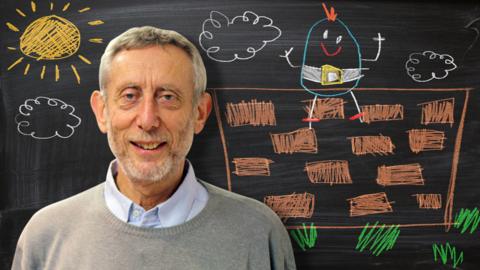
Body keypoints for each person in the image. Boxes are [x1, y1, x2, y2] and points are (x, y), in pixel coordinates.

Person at [11, 26, 296, 269]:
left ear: (199, 113)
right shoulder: (45, 236)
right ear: (102, 112)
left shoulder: (260, 234)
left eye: (168, 97)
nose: (148, 120)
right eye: (130, 95)